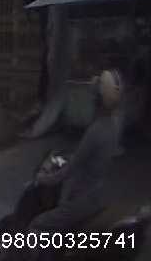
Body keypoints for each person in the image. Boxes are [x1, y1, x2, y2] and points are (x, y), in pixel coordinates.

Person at [28, 69, 123, 236]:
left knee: (37, 225)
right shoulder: (114, 125)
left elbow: (68, 171)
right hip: (99, 195)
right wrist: (67, 156)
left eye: (93, 95)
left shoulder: (96, 130)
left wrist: (43, 178)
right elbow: (89, 157)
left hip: (82, 200)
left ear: (98, 99)